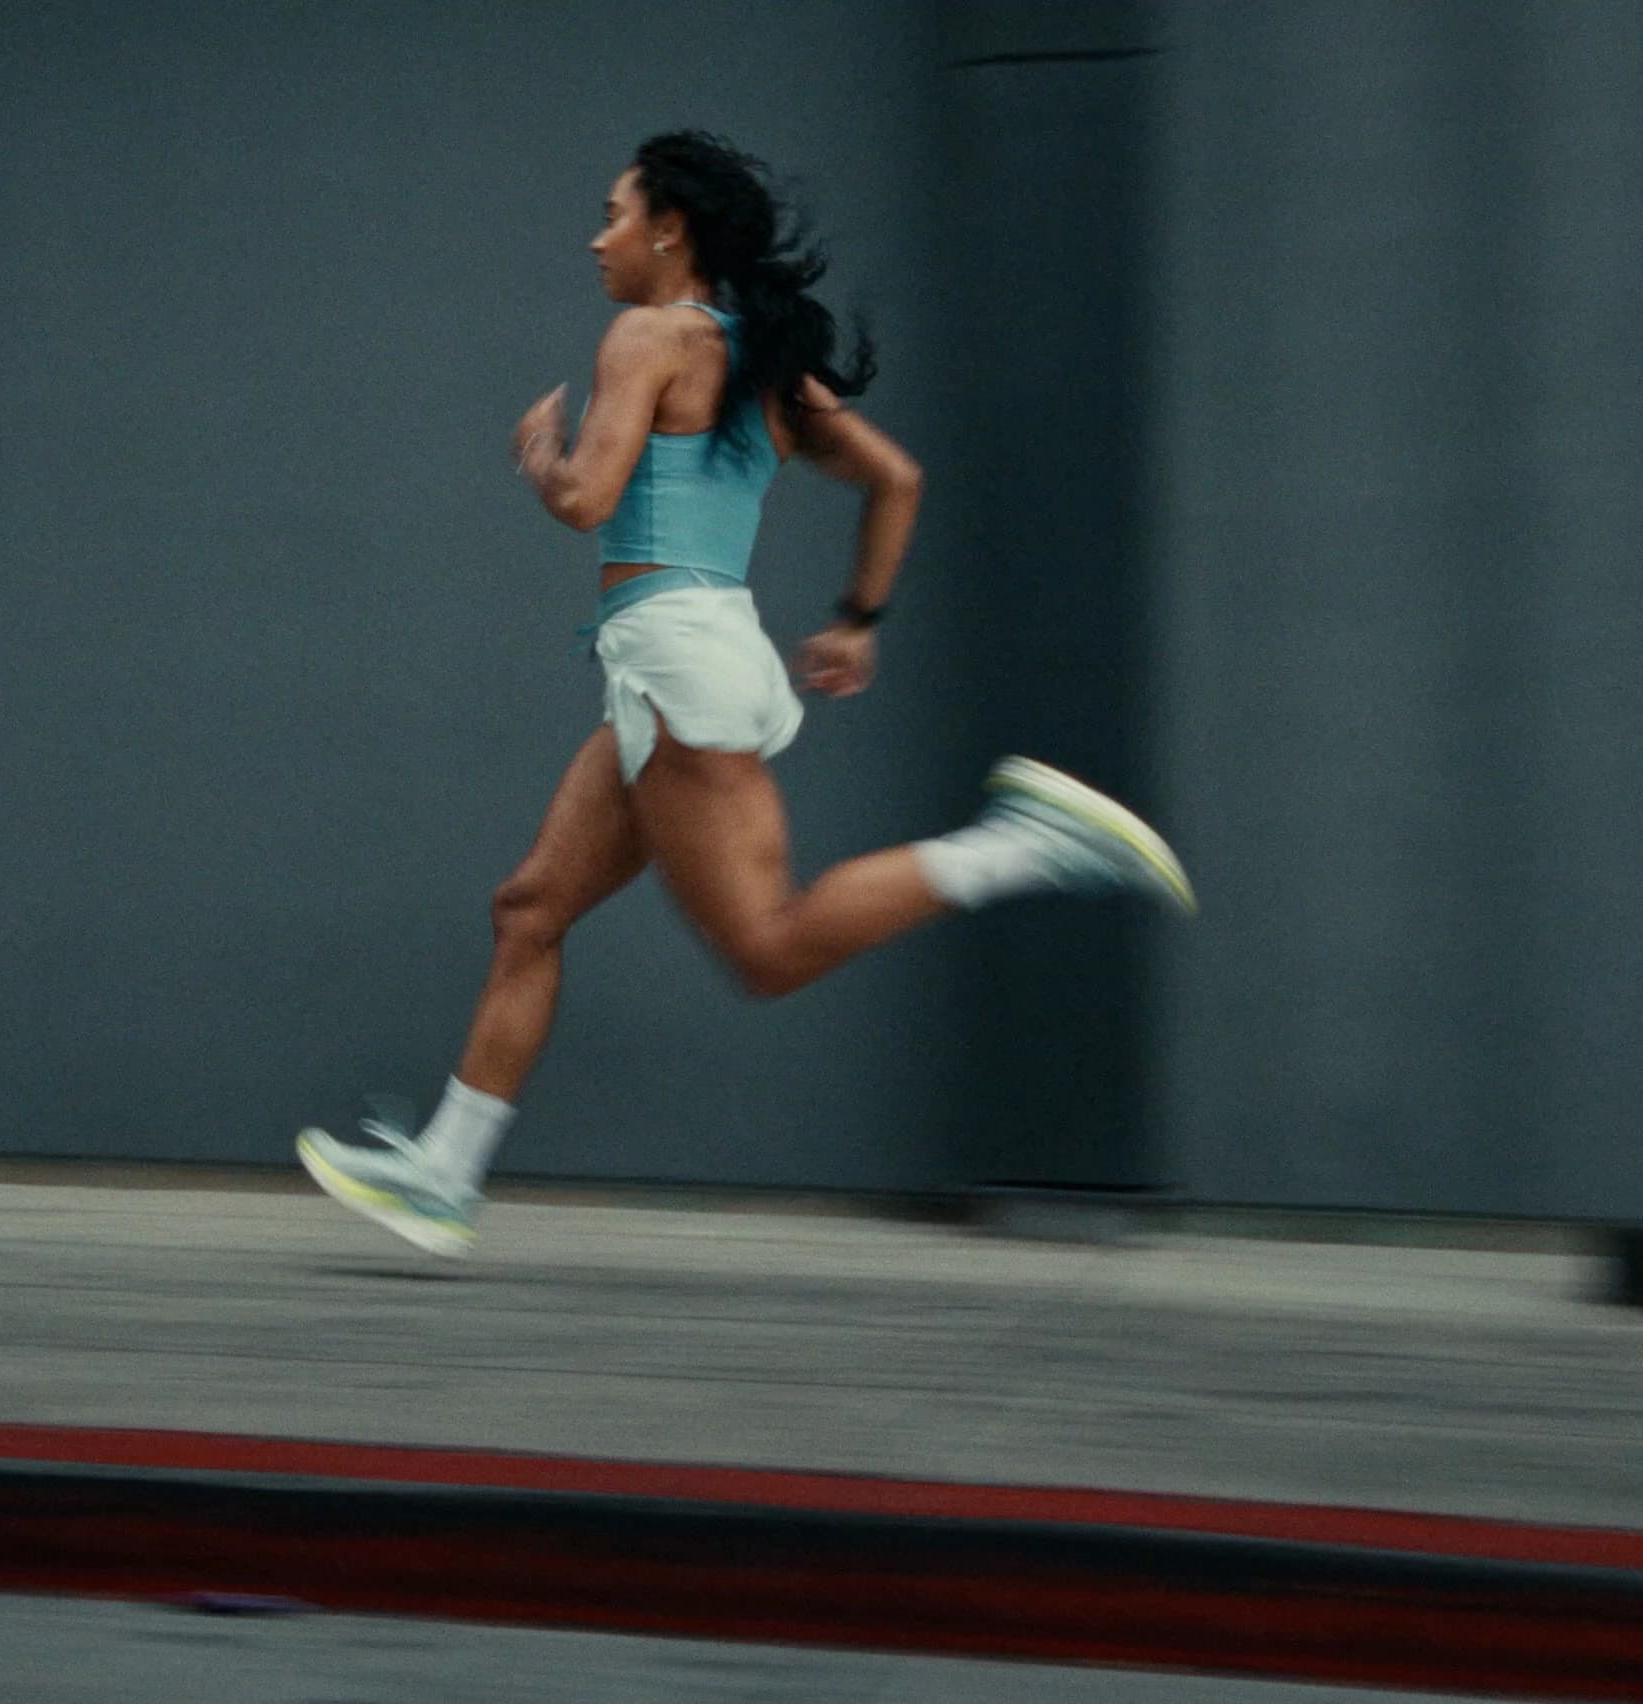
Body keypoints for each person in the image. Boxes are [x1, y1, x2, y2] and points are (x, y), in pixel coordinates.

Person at [298, 131, 1192, 1258]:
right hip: (676, 661)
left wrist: (540, 459)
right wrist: (856, 623)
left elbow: (587, 500)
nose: (598, 236)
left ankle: (1025, 844)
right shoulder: (759, 359)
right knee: (530, 909)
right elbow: (895, 479)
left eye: (614, 213)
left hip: (675, 661)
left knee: (766, 949)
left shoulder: (650, 334)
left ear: (670, 229)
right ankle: (442, 1172)